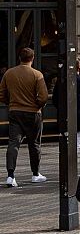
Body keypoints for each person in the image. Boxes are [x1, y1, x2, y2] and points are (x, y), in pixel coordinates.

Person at [0, 47, 49, 187]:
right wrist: (38, 105)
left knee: (13, 143)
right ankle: (35, 174)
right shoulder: (37, 74)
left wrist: (11, 103)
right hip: (33, 113)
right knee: (34, 144)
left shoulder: (9, 74)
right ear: (32, 58)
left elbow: (1, 94)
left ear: (19, 58)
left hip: (15, 112)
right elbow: (44, 96)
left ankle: (10, 176)